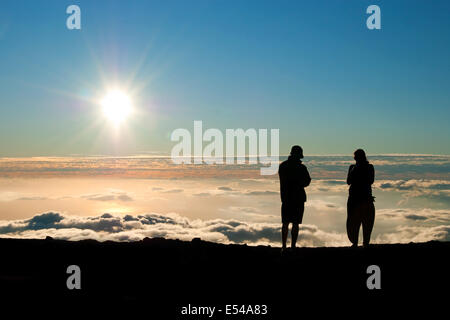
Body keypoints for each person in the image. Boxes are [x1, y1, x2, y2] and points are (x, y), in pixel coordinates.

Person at [278, 145, 311, 251]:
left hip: (286, 198)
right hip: (298, 198)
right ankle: (292, 246)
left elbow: (283, 180)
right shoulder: (301, 167)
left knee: (285, 223)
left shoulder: (283, 166)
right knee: (295, 223)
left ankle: (284, 246)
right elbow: (307, 181)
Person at [346, 149, 375, 248]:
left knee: (366, 221)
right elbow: (348, 181)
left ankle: (364, 243)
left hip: (364, 197)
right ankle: (356, 242)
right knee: (354, 221)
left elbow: (370, 180)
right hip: (356, 197)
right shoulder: (353, 167)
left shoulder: (369, 167)